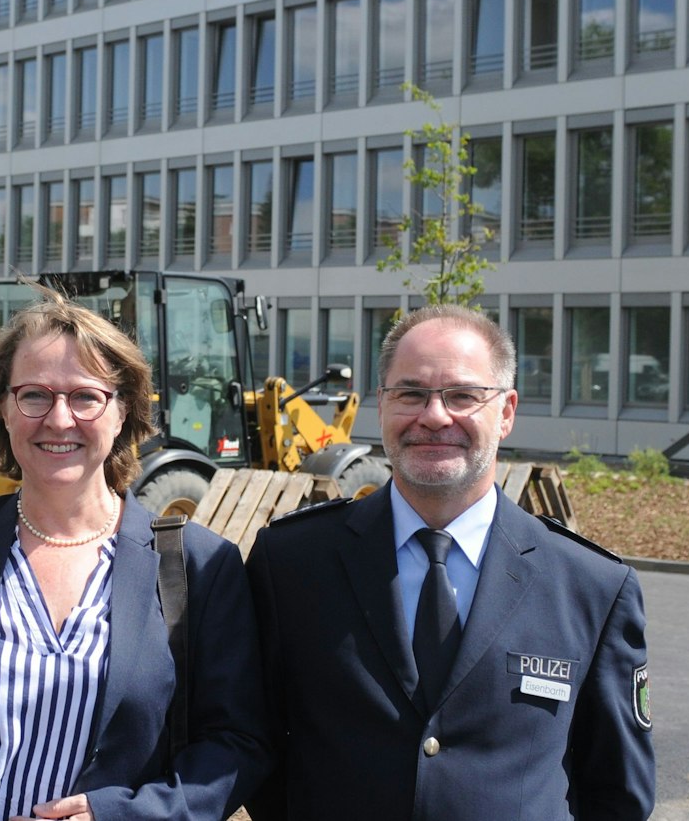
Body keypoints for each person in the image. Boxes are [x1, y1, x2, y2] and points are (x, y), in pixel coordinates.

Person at [0, 294, 269, 821]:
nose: (59, 419)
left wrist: (123, 814)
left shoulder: (196, 566)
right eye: (34, 395)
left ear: (123, 410)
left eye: (86, 397)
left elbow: (238, 742)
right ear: (3, 409)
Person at [245, 304, 653, 820]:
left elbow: (619, 793)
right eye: (410, 393)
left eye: (462, 395)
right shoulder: (291, 563)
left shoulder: (591, 586)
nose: (434, 415)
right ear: (382, 406)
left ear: (506, 412)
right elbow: (252, 742)